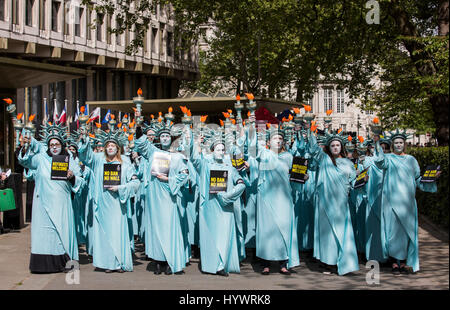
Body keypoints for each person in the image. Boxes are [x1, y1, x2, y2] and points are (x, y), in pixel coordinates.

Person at [372, 130, 441, 274]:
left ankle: (403, 262)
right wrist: (377, 143)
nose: (398, 145)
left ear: (404, 144)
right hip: (391, 201)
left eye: (400, 143)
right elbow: (379, 161)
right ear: (392, 144)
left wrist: (432, 178)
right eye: (396, 143)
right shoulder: (388, 158)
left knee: (405, 233)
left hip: (407, 203)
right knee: (392, 233)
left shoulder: (411, 160)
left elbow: (417, 179)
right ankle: (394, 263)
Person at [18, 123, 82, 273]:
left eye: (57, 144)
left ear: (62, 145)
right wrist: (26, 146)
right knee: (44, 233)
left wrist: (72, 177)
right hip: (42, 204)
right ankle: (42, 265)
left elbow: (81, 180)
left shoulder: (69, 159)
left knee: (62, 232)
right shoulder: (41, 158)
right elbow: (25, 161)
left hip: (62, 203)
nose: (54, 147)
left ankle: (66, 262)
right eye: (51, 144)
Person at [78, 127, 140, 273]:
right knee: (104, 234)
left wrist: (121, 188)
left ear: (117, 148)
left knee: (117, 233)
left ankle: (119, 263)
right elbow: (85, 156)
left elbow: (136, 183)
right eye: (108, 146)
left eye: (113, 146)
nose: (110, 148)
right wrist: (85, 139)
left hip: (118, 205)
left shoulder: (125, 164)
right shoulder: (98, 162)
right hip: (102, 204)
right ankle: (107, 263)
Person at [134, 114, 190, 275]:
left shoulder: (178, 157)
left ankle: (170, 261)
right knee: (156, 229)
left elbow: (185, 175)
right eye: (162, 136)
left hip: (169, 197)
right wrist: (139, 124)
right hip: (154, 197)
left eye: (167, 136)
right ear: (159, 139)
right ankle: (159, 261)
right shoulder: (153, 152)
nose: (165, 138)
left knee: (169, 228)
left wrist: (169, 178)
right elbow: (141, 142)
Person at [188, 127, 246, 276]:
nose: (221, 152)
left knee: (224, 236)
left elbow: (239, 180)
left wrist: (233, 192)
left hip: (226, 208)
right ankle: (212, 265)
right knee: (212, 236)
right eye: (218, 149)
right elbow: (194, 159)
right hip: (210, 207)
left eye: (223, 150)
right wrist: (195, 142)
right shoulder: (206, 166)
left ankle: (222, 264)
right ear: (212, 151)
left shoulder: (230, 167)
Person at [307, 124, 361, 275]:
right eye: (332, 145)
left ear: (342, 146)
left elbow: (353, 182)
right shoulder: (324, 159)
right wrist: (310, 131)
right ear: (328, 147)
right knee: (328, 233)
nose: (335, 147)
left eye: (338, 145)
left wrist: (363, 179)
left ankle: (343, 260)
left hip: (341, 203)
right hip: (325, 202)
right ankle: (328, 262)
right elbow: (312, 150)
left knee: (342, 232)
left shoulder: (349, 163)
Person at [253, 124, 300, 275]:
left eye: (280, 138)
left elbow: (294, 176)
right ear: (268, 141)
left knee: (284, 228)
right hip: (267, 197)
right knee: (268, 228)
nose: (278, 141)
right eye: (274, 138)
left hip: (283, 197)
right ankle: (265, 264)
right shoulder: (264, 153)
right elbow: (252, 145)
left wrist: (301, 178)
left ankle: (283, 263)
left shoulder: (288, 157)